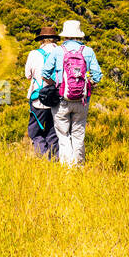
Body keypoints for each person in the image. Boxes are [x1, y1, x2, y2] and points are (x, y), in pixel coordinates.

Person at [43, 19, 102, 166]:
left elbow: (45, 72)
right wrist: (89, 86)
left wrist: (55, 85)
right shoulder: (88, 51)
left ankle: (67, 167)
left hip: (61, 99)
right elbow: (97, 75)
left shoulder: (58, 51)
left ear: (65, 35)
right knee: (78, 134)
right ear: (78, 35)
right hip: (82, 100)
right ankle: (79, 166)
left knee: (63, 135)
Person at [24, 25, 60, 157]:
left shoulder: (33, 54)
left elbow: (28, 75)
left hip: (38, 98)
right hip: (56, 98)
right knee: (53, 131)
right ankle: (54, 158)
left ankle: (43, 156)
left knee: (35, 131)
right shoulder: (61, 52)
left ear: (42, 40)